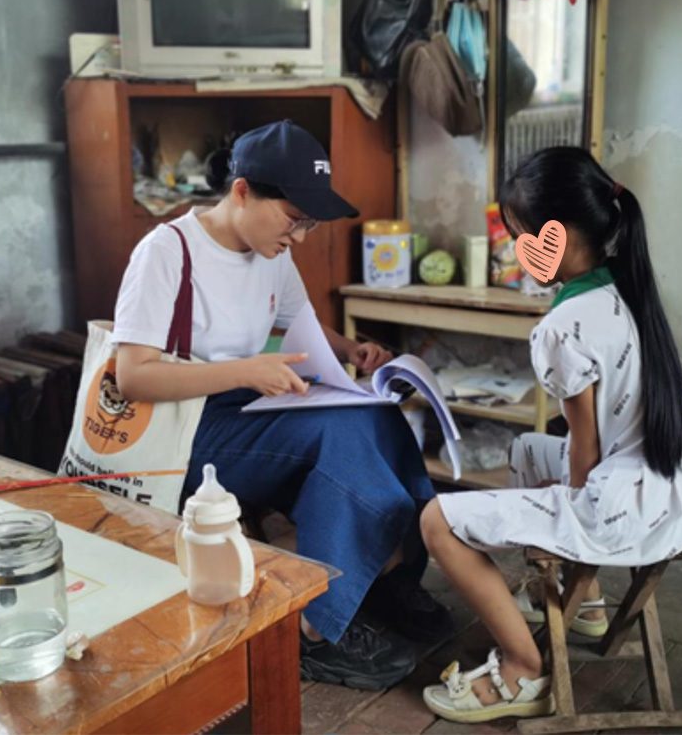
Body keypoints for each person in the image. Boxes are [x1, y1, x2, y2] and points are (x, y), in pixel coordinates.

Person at [112, 120, 452, 690]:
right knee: (331, 437)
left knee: (375, 414)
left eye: (308, 222)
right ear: (242, 190)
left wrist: (353, 351)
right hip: (186, 429)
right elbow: (132, 377)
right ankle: (316, 632)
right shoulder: (167, 252)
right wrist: (249, 371)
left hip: (244, 404)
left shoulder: (268, 250)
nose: (298, 236)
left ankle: (388, 580)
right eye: (294, 218)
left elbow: (297, 322)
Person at [419, 146, 682, 723]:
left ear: (551, 237)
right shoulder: (627, 287)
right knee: (528, 449)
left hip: (626, 507)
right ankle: (584, 605)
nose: (516, 248)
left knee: (436, 520)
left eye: (519, 233)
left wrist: (575, 520)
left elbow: (584, 451)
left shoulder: (564, 326)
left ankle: (521, 666)